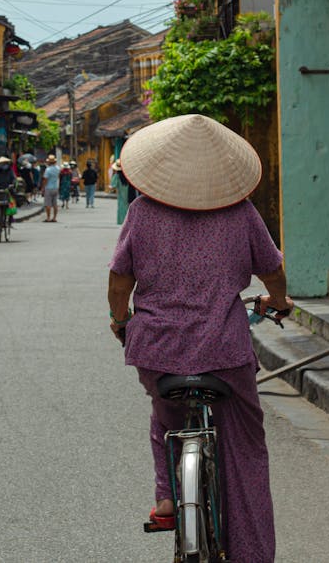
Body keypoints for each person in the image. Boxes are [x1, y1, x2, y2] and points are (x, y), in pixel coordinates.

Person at [107, 114, 293, 563]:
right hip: (224, 349)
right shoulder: (242, 213)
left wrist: (121, 321)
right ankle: (252, 555)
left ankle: (168, 496)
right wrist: (278, 300)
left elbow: (119, 279)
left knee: (165, 415)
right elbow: (273, 272)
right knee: (246, 447)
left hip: (157, 347)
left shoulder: (141, 212)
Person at [40, 154, 60, 222]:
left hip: (48, 188)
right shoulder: (58, 168)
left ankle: (48, 218)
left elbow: (45, 179)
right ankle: (54, 218)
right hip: (55, 187)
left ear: (49, 162)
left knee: (48, 204)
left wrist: (42, 188)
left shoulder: (48, 170)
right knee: (55, 204)